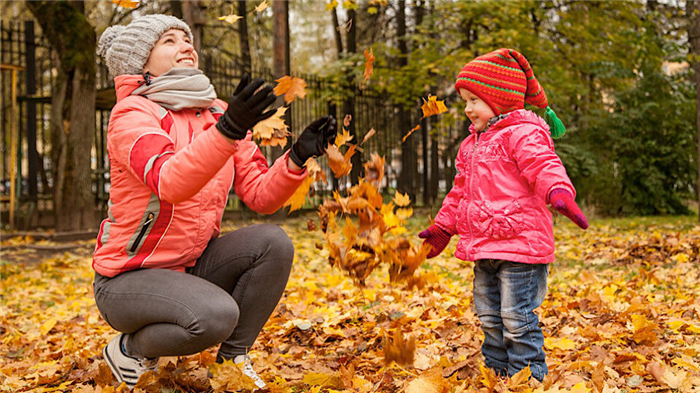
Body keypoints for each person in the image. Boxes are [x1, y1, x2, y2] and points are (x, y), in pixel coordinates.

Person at [93, 14, 336, 389]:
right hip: (128, 279)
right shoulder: (132, 115)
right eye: (169, 41)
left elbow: (259, 195)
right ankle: (130, 347)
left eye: (186, 40)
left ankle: (232, 362)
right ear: (140, 62)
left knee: (273, 243)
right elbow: (169, 180)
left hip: (191, 267)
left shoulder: (217, 112)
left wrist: (296, 158)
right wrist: (227, 132)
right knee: (215, 316)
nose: (185, 46)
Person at [418, 48, 588, 382]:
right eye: (465, 100)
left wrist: (559, 193)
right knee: (489, 317)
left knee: (516, 318)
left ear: (500, 98)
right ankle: (495, 376)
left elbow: (543, 166)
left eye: (474, 100)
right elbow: (460, 192)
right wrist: (443, 227)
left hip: (521, 249)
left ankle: (527, 379)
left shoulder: (523, 133)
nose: (467, 109)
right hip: (485, 247)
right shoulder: (472, 145)